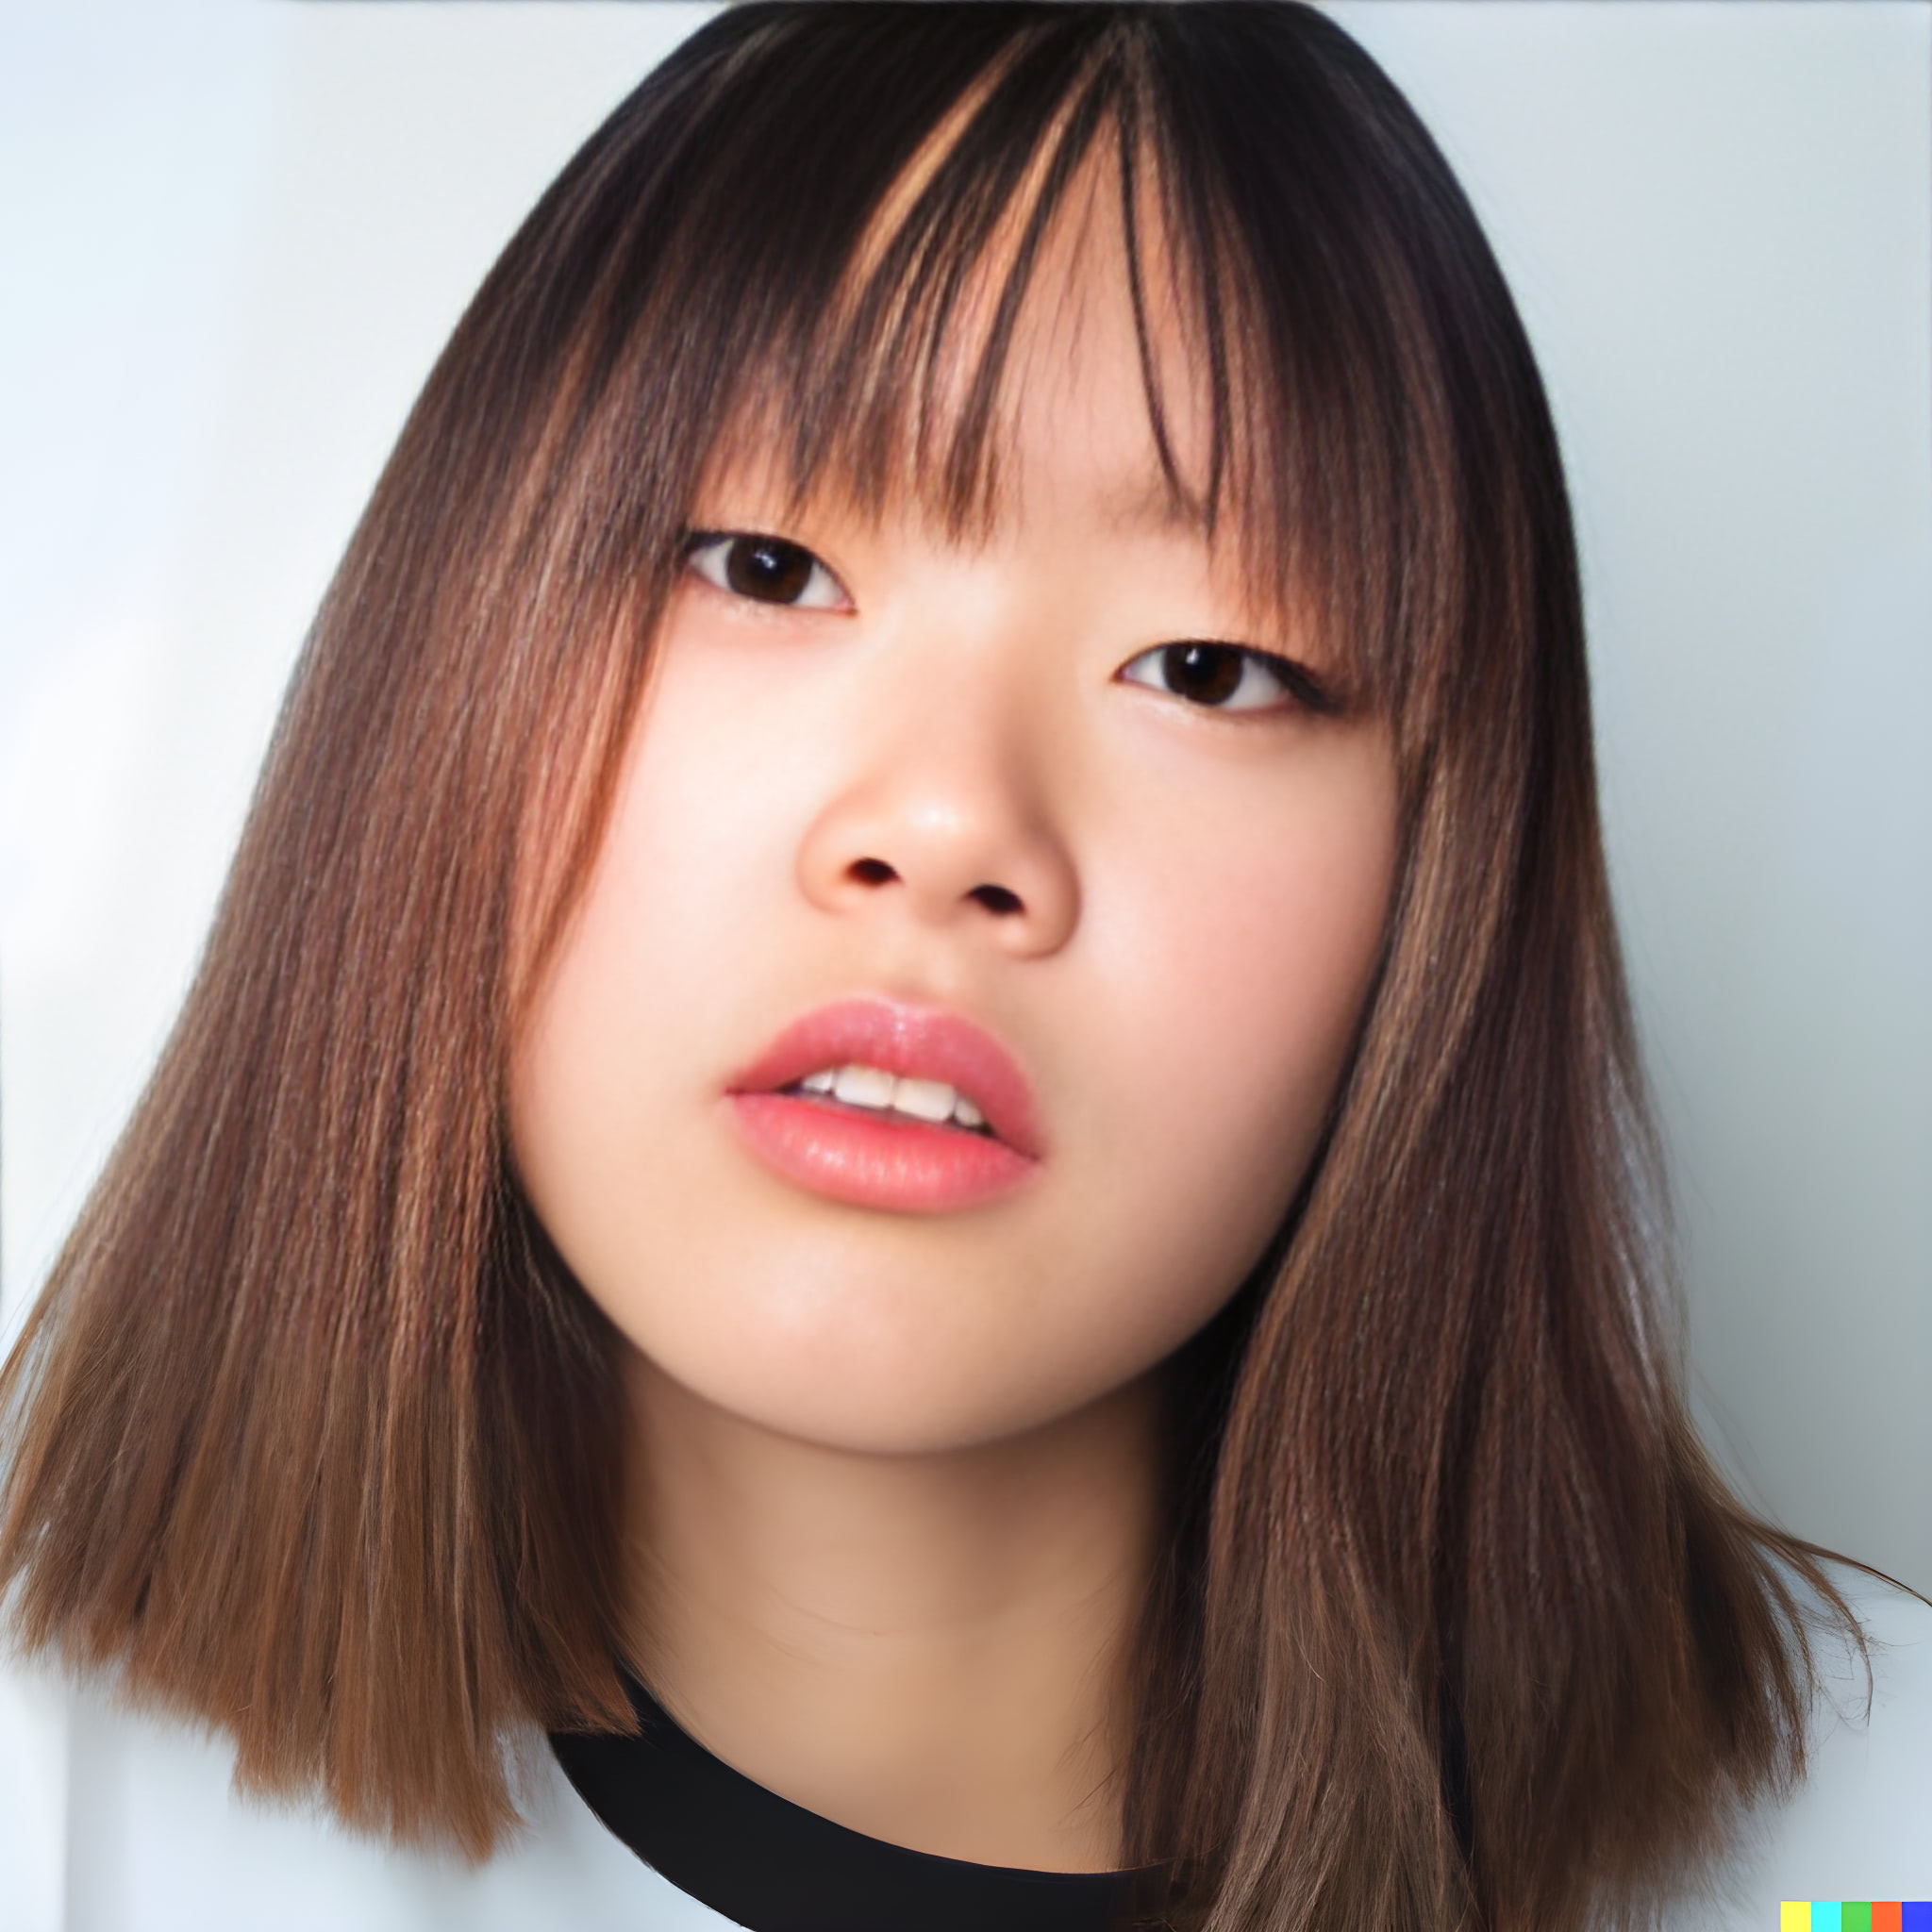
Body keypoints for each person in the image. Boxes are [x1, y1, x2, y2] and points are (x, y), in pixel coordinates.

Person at [1, 6, 1924, 1929]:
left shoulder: (1872, 1864)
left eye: (1206, 668)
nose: (945, 825)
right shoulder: (50, 1809)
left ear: (1447, 884)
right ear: (439, 661)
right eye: (763, 566)